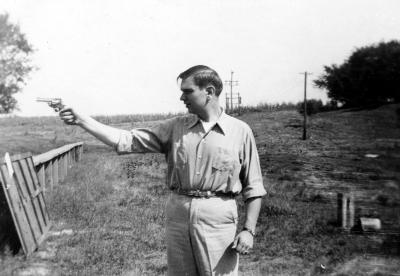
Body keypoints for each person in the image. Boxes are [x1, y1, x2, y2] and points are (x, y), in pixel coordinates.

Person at [56, 65, 266, 276]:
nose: (182, 97)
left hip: (219, 221)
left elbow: (254, 187)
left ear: (209, 92)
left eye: (187, 91)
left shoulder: (240, 131)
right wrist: (82, 120)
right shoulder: (175, 127)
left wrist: (249, 230)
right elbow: (126, 139)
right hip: (178, 216)